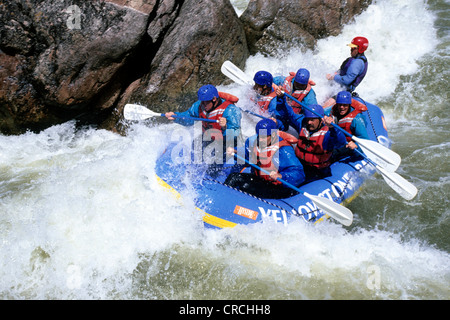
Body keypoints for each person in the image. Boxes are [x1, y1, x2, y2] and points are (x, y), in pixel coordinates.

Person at [225, 118, 305, 199]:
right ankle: (223, 198)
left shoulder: (283, 150)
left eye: (264, 137)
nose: (261, 140)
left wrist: (281, 176)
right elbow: (247, 156)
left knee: (246, 186)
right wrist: (235, 151)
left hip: (278, 187)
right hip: (262, 181)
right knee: (234, 177)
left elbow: (299, 173)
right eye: (260, 136)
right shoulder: (255, 143)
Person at [165, 84, 241, 163]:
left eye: (206, 103)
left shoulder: (230, 110)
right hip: (210, 137)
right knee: (196, 144)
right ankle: (195, 168)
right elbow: (189, 117)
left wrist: (225, 126)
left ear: (214, 99)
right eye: (202, 102)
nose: (203, 105)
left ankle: (214, 172)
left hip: (227, 142)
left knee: (215, 155)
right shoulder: (200, 105)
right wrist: (176, 117)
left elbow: (235, 133)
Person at [279, 102, 347, 179]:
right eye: (308, 119)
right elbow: (290, 114)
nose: (309, 122)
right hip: (299, 164)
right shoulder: (303, 124)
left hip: (318, 171)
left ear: (321, 120)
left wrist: (333, 128)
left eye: (312, 120)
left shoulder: (327, 134)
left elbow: (340, 143)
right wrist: (281, 99)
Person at [324, 91, 369, 160]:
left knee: (331, 153)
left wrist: (356, 146)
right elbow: (323, 112)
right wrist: (324, 117)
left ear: (349, 105)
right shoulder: (334, 109)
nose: (342, 107)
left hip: (347, 144)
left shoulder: (357, 119)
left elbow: (365, 141)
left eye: (345, 105)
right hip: (336, 138)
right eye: (340, 105)